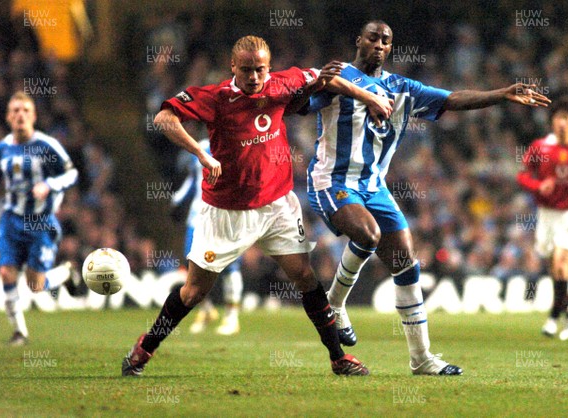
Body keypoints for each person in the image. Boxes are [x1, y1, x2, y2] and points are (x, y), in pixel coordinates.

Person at [122, 35, 394, 377]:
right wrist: (201, 153)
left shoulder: (282, 83)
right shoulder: (215, 97)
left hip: (277, 204)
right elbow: (164, 118)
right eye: (247, 70)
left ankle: (338, 358)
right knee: (193, 292)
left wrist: (368, 96)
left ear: (269, 66)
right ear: (233, 67)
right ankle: (145, 347)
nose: (254, 77)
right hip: (226, 210)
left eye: (260, 70)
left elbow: (326, 78)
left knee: (305, 276)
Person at [303, 20, 550, 375]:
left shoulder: (402, 88)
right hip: (333, 180)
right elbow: (302, 102)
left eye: (386, 41)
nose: (378, 44)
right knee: (369, 235)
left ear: (390, 48)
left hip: (374, 186)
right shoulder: (338, 76)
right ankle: (336, 305)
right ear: (359, 40)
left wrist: (501, 94)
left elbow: (451, 99)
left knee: (406, 264)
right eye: (372, 37)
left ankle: (421, 359)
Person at [0, 92, 78, 345]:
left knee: (36, 285)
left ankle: (64, 274)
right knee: (7, 272)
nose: (20, 114)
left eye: (25, 110)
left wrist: (50, 184)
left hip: (41, 220)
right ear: (9, 117)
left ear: (33, 116)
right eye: (16, 110)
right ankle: (20, 332)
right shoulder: (2, 149)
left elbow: (71, 173)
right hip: (12, 219)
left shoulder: (46, 145)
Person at [517, 97, 568, 341]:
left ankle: (553, 316)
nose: (562, 123)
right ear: (552, 122)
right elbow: (523, 176)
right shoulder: (540, 147)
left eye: (567, 118)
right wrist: (539, 185)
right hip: (547, 213)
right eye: (558, 118)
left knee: (562, 262)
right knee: (555, 268)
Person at [171, 140, 243, 336]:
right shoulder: (199, 147)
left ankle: (231, 316)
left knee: (230, 266)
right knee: (192, 264)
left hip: (228, 216)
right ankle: (206, 310)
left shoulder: (239, 143)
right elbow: (193, 181)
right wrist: (176, 199)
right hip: (198, 218)